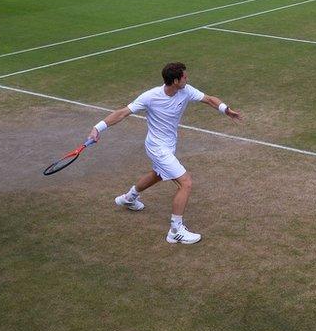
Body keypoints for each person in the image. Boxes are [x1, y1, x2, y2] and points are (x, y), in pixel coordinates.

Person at [88, 62, 242, 245]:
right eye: (184, 76)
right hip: (156, 147)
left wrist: (226, 110)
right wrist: (97, 128)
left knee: (158, 174)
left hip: (168, 146)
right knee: (185, 182)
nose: (187, 78)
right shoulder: (150, 97)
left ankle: (129, 198)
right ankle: (175, 231)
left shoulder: (185, 90)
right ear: (175, 81)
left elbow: (209, 99)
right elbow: (122, 113)